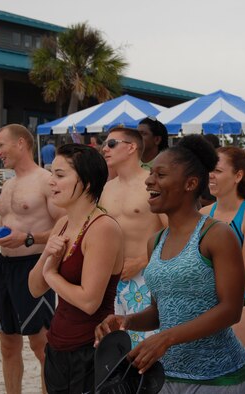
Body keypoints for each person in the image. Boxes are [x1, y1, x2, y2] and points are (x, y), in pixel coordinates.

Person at [95, 135, 245, 393]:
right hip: (165, 375)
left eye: (160, 174)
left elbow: (231, 310)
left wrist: (167, 338)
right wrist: (126, 321)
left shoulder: (216, 235)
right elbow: (160, 312)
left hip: (218, 377)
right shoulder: (155, 241)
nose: (149, 180)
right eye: (150, 173)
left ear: (190, 183)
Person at [0, 124, 64, 394]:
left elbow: (65, 229)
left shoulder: (46, 181)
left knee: (41, 345)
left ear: (22, 143)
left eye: (1, 145)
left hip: (34, 266)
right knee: (7, 343)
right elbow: (8, 226)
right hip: (4, 268)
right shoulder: (9, 183)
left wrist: (27, 239)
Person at [28, 144, 123, 393]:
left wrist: (51, 273)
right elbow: (35, 288)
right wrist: (47, 255)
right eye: (51, 174)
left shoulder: (103, 228)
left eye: (60, 175)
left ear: (88, 183)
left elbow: (89, 301)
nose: (51, 182)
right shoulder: (62, 223)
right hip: (57, 343)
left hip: (90, 350)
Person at [200, 146, 245, 367]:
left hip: (240, 308)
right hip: (205, 307)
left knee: (236, 382)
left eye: (218, 170)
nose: (210, 175)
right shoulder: (202, 214)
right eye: (210, 169)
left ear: (238, 176)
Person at [99, 126, 165, 346]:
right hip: (111, 280)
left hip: (146, 277)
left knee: (144, 346)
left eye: (111, 144)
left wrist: (143, 260)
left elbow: (176, 231)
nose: (104, 149)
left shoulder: (153, 185)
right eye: (104, 143)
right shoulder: (106, 189)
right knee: (113, 347)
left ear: (131, 147)